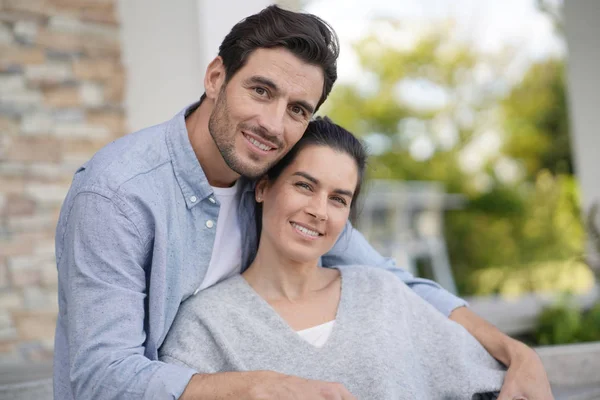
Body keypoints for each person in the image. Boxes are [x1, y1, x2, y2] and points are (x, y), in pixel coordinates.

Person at [53, 5, 553, 400]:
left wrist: (515, 352)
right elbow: (101, 378)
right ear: (214, 78)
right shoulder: (118, 195)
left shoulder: (270, 176)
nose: (273, 124)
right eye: (260, 90)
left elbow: (395, 282)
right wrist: (261, 385)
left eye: (297, 109)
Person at [159, 117, 507, 399]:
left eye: (339, 199)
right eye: (304, 186)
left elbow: (487, 381)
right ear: (263, 188)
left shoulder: (382, 294)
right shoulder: (205, 323)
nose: (319, 211)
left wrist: (519, 355)